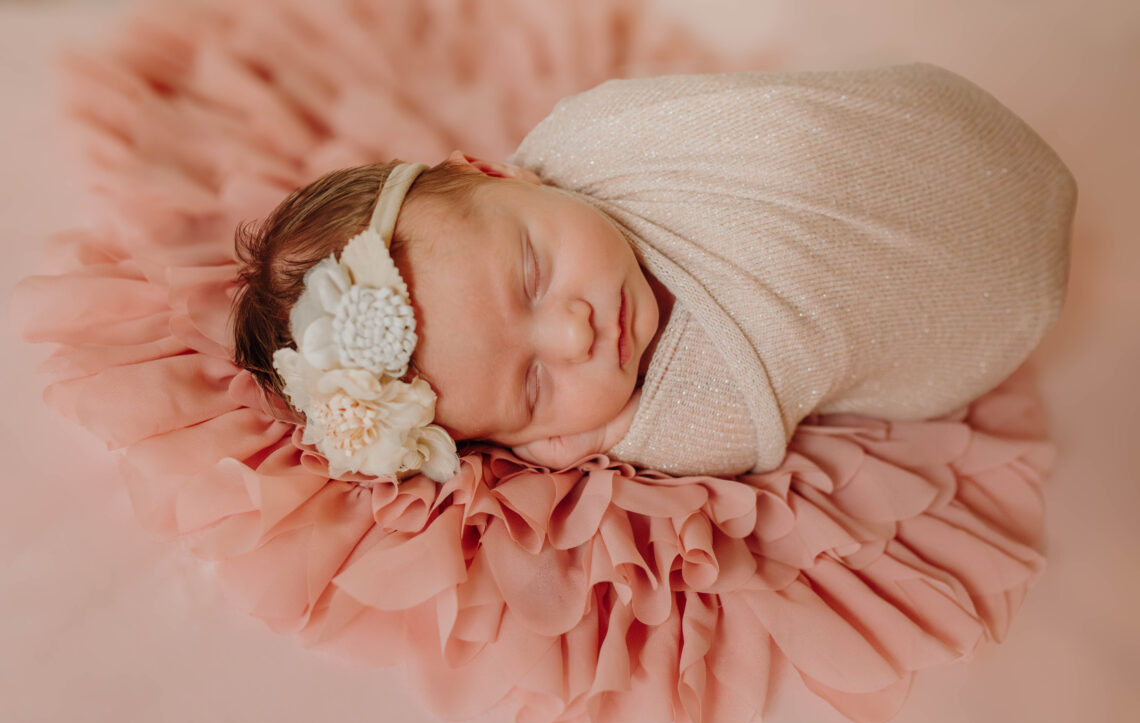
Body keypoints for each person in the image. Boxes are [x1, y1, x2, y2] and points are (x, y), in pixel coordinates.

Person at [231, 62, 1076, 482]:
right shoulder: (676, 408)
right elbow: (742, 425)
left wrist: (576, 424)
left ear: (500, 172)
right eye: (532, 388)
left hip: (947, 141)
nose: (574, 332)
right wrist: (604, 436)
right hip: (978, 319)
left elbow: (769, 117)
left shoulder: (598, 139)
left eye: (530, 275)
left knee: (804, 145)